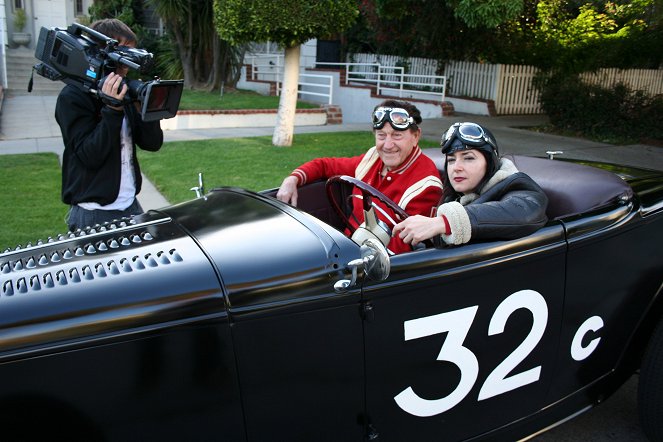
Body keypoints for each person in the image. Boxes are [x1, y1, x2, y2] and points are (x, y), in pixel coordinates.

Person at [276, 100, 443, 254]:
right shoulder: (372, 159)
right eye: (381, 135)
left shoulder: (426, 184)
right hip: (345, 247)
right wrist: (293, 179)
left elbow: (403, 248)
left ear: (415, 136)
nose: (388, 145)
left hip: (374, 264)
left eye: (397, 135)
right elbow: (325, 165)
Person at [55, 18, 163, 232]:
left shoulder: (126, 91)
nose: (126, 65)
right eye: (122, 55)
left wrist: (147, 110)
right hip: (93, 213)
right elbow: (89, 155)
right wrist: (112, 110)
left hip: (130, 204)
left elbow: (152, 144)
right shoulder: (72, 97)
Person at [393, 122, 548, 246]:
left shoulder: (517, 186)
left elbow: (523, 212)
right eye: (451, 160)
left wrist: (444, 223)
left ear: (489, 162)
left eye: (468, 158)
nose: (456, 167)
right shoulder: (455, 196)